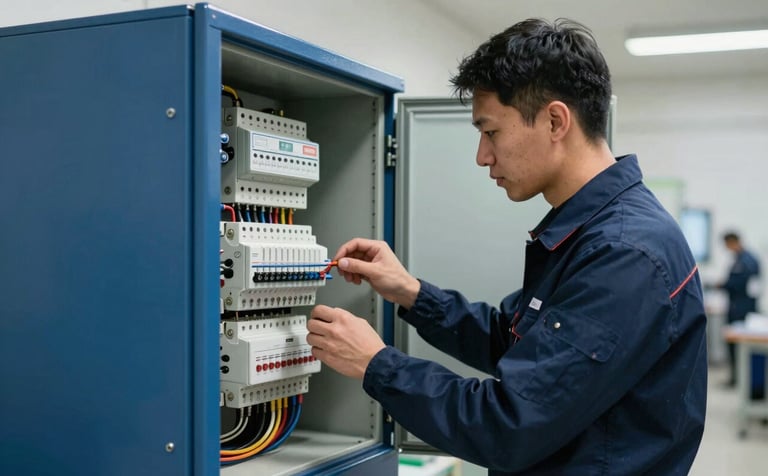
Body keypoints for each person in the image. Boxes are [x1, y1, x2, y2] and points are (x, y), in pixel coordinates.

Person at [306, 18, 707, 474]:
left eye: (491, 132)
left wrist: (375, 363)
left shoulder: (624, 253)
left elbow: (508, 423)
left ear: (555, 121)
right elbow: (521, 348)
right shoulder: (592, 231)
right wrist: (412, 294)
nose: (482, 156)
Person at [717, 231, 761, 388]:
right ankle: (737, 378)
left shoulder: (746, 261)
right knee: (734, 347)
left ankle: (743, 380)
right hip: (738, 306)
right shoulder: (741, 259)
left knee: (740, 348)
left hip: (742, 309)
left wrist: (722, 285)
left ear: (733, 242)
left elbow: (740, 285)